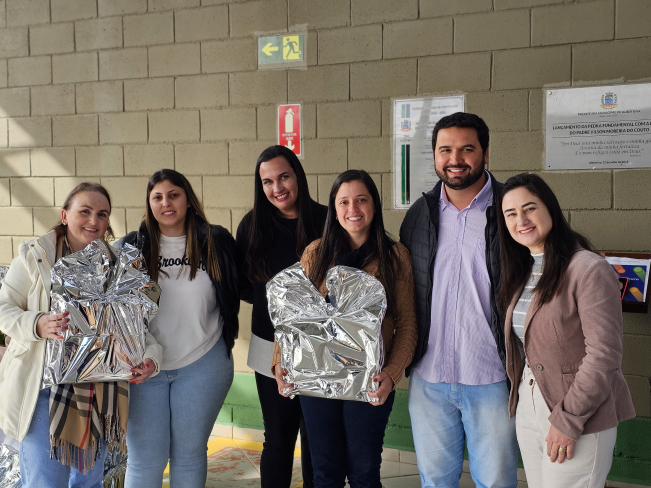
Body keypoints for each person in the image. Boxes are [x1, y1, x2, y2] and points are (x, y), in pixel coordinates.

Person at [0, 182, 162, 488]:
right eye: (84, 211)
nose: (93, 221)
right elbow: (3, 308)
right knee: (45, 482)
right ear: (65, 215)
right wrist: (37, 324)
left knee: (88, 483)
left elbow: (137, 327)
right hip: (42, 393)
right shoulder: (36, 257)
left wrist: (152, 359)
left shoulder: (118, 267)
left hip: (98, 394)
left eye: (102, 214)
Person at [272, 170, 417, 488]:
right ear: (334, 209)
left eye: (361, 200)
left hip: (370, 382)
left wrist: (392, 374)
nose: (353, 209)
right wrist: (280, 361)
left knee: (364, 473)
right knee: (326, 472)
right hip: (317, 379)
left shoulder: (394, 256)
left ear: (374, 205)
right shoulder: (316, 253)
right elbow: (292, 315)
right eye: (344, 202)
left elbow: (407, 325)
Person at [399, 112, 519, 487]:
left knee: (495, 482)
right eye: (445, 150)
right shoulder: (419, 215)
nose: (455, 159)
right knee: (435, 481)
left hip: (492, 378)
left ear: (485, 153)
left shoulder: (513, 209)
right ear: (435, 155)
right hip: (429, 378)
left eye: (467, 149)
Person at [497, 173, 635, 488]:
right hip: (530, 405)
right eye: (511, 214)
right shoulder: (523, 269)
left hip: (579, 412)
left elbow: (604, 355)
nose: (521, 220)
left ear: (550, 208)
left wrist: (568, 420)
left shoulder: (588, 269)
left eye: (530, 208)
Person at [120, 169, 239, 488]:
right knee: (145, 460)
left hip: (203, 362)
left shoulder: (215, 240)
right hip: (144, 368)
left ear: (188, 199)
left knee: (188, 455)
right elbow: (115, 309)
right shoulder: (132, 246)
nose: (166, 203)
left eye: (173, 195)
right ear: (149, 203)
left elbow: (240, 286)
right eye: (157, 197)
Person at [236, 145, 326, 488]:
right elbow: (246, 287)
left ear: (297, 176)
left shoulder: (327, 220)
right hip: (267, 344)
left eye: (284, 177)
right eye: (267, 181)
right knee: (278, 437)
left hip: (321, 347)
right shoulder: (251, 226)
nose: (277, 188)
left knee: (317, 438)